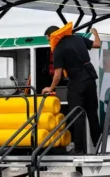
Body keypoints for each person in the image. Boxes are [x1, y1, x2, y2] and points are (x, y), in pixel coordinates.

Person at [42, 25, 101, 154]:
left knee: (77, 115)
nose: (49, 42)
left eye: (48, 39)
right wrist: (95, 33)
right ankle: (99, 144)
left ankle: (79, 149)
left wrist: (50, 88)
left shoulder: (58, 49)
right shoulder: (78, 38)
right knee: (92, 114)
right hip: (90, 79)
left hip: (76, 82)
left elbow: (57, 75)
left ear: (53, 36)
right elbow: (97, 44)